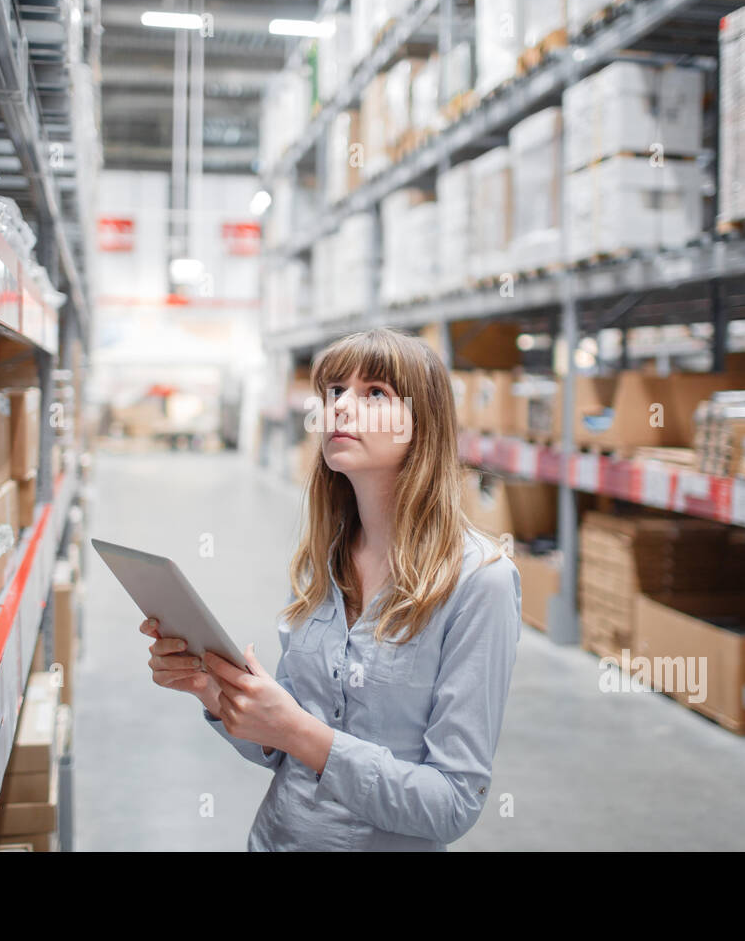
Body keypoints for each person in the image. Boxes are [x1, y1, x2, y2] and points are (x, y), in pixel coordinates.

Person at [141, 327, 522, 850]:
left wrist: (300, 732)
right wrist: (215, 690)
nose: (342, 407)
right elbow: (279, 749)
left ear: (423, 422)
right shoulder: (326, 558)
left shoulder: (480, 582)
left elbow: (452, 802)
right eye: (334, 391)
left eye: (375, 394)